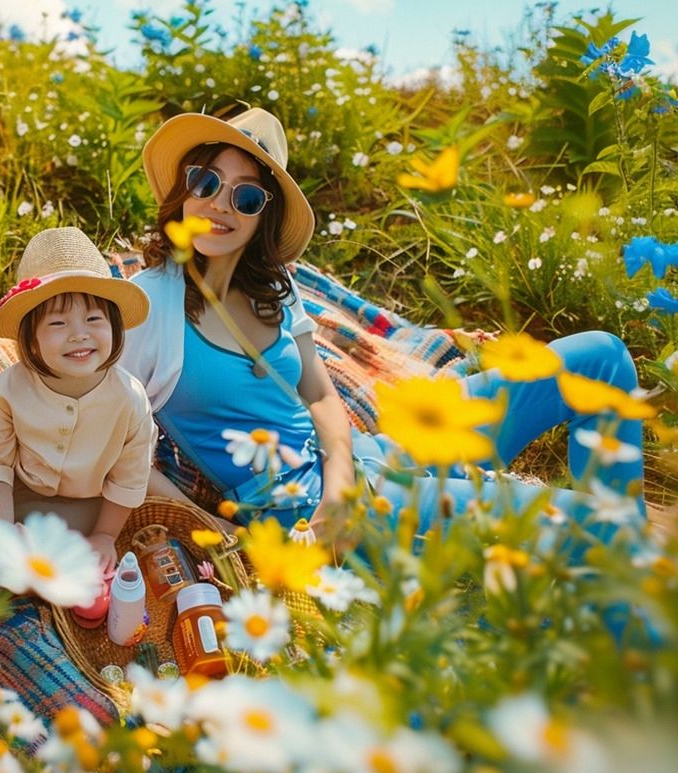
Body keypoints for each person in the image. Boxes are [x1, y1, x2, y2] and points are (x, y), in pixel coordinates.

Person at [119, 107, 647, 547]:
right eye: (206, 181)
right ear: (184, 189)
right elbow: (113, 445)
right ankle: (624, 577)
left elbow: (321, 395)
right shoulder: (147, 303)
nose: (218, 204)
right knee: (597, 520)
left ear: (263, 216)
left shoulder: (271, 283)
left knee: (602, 355)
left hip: (368, 462)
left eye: (246, 196)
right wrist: (210, 525)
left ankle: (619, 584)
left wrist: (343, 477)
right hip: (303, 508)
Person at [0, 226, 156, 624]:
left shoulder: (129, 400)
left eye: (94, 318)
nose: (79, 334)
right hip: (12, 487)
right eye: (57, 324)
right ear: (31, 340)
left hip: (82, 504)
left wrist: (105, 535)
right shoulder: (7, 389)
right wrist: (0, 522)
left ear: (114, 326)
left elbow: (128, 479)